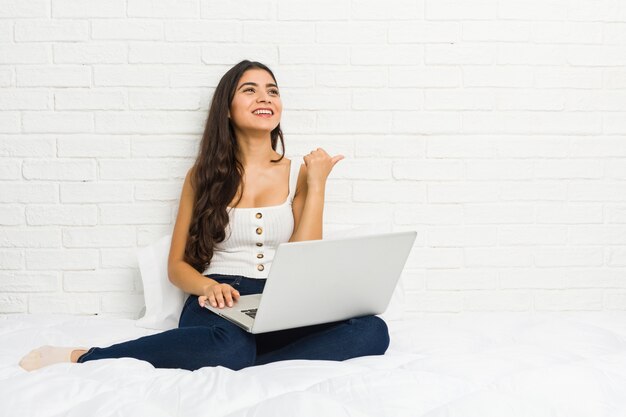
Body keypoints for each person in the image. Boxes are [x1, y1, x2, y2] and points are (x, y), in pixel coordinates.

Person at [19, 60, 390, 372]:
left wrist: (319, 184)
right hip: (218, 300)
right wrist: (209, 288)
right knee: (226, 346)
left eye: (272, 90)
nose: (265, 97)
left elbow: (306, 256)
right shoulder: (202, 176)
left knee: (373, 331)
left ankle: (246, 360)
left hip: (281, 299)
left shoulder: (303, 173)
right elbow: (177, 266)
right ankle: (87, 356)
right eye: (250, 89)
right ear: (227, 108)